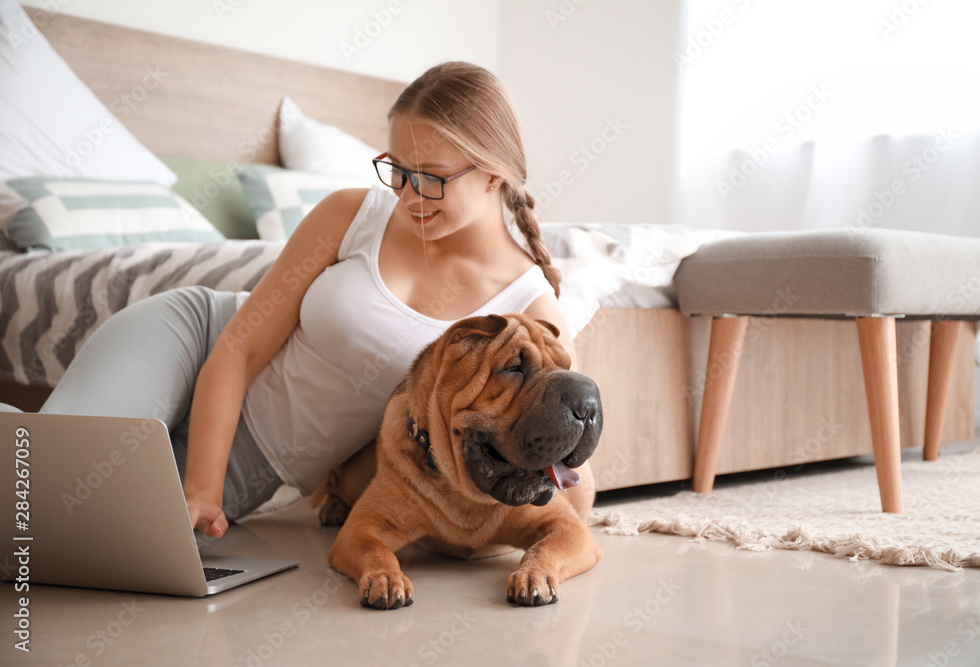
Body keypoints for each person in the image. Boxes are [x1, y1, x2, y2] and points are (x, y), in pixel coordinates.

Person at [39, 61, 595, 538]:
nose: (407, 194)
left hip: (258, 460)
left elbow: (573, 485)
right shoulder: (351, 214)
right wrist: (200, 491)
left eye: (431, 178)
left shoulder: (529, 312)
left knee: (58, 526)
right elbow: (236, 349)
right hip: (188, 341)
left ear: (495, 174)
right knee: (43, 475)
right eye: (398, 170)